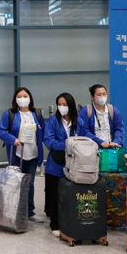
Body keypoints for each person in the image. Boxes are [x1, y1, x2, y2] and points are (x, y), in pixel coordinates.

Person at [0, 87, 45, 223]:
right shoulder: (10, 114)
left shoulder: (37, 114)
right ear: (15, 99)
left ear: (30, 98)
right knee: (15, 183)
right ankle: (14, 210)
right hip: (16, 154)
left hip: (33, 154)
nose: (23, 98)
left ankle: (30, 211)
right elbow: (0, 130)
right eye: (19, 96)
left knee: (30, 183)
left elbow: (44, 132)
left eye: (25, 96)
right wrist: (13, 140)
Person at [43, 92, 82, 236]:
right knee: (54, 195)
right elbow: (48, 140)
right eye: (59, 104)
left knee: (70, 195)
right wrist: (68, 144)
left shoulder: (79, 121)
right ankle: (55, 224)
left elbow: (85, 137)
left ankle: (70, 222)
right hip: (56, 164)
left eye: (65, 105)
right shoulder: (53, 121)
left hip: (75, 164)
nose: (62, 107)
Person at [78, 84, 125, 149]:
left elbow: (119, 128)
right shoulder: (86, 111)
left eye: (104, 94)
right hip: (92, 149)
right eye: (99, 94)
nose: (102, 97)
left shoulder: (113, 110)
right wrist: (100, 142)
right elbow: (83, 131)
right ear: (92, 97)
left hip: (110, 148)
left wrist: (116, 141)